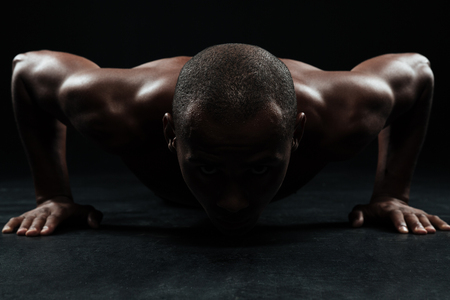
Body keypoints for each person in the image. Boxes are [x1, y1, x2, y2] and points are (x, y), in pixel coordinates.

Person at [3, 43, 449, 237]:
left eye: (260, 168)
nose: (232, 202)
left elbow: (418, 69)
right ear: (168, 134)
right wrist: (54, 194)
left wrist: (391, 194)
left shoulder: (341, 113)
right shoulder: (117, 111)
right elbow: (27, 67)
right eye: (207, 168)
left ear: (297, 133)